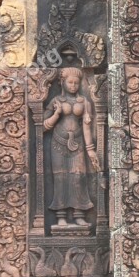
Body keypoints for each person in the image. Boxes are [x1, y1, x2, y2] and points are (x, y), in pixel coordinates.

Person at [43, 68, 98, 227]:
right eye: (70, 82)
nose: (73, 85)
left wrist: (90, 150)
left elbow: (87, 128)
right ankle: (61, 215)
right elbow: (42, 126)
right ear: (62, 82)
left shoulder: (84, 103)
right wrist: (56, 114)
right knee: (60, 177)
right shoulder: (55, 101)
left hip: (79, 143)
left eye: (76, 83)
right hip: (59, 143)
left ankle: (79, 214)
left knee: (78, 177)